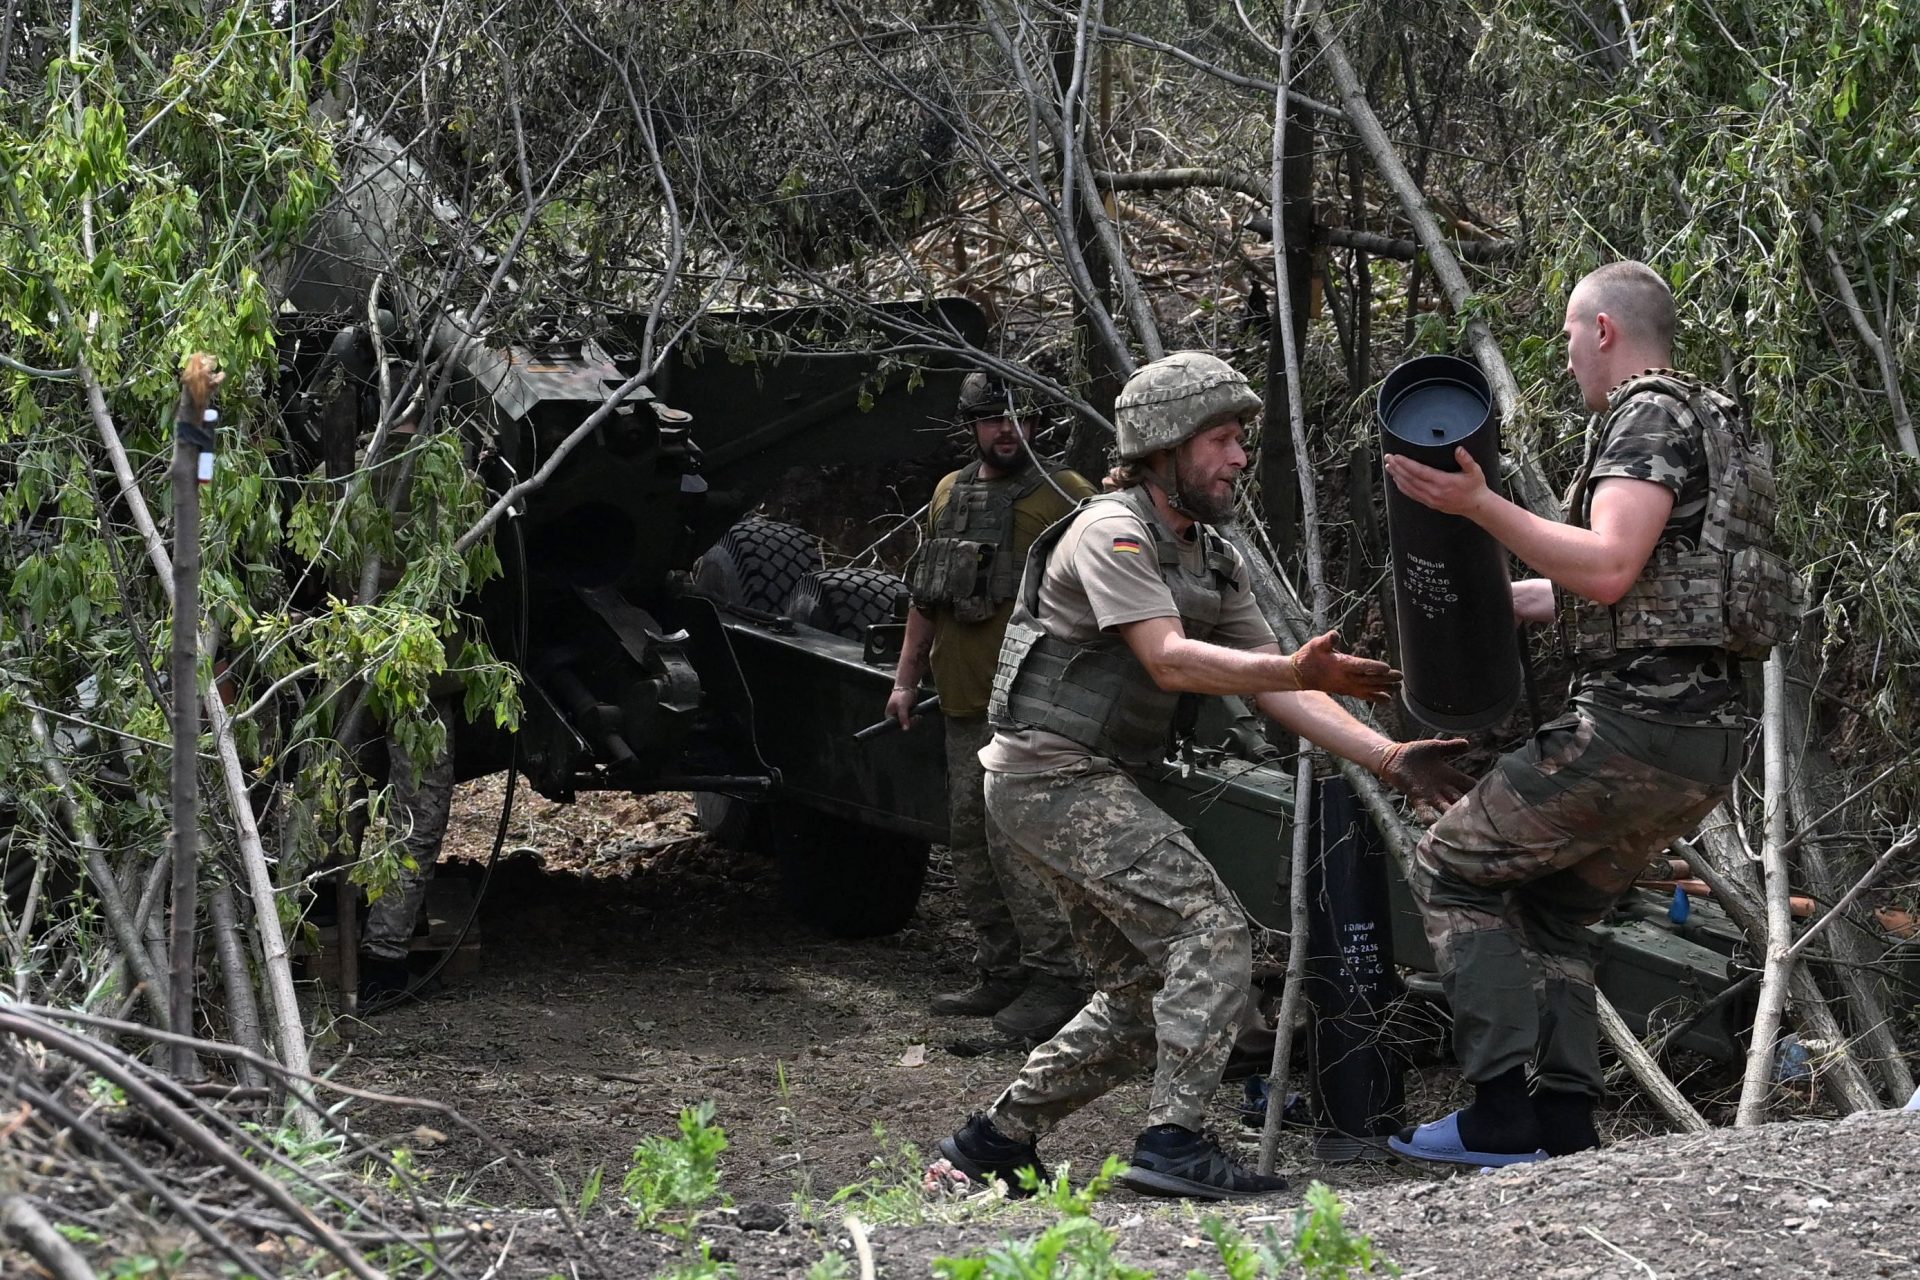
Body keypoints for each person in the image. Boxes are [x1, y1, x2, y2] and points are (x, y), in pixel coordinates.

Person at [934, 351, 1476, 1201]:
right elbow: (1171, 661)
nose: (1237, 458)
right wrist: (1296, 673)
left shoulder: (1210, 558)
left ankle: (989, 1143)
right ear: (1162, 446)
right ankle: (1174, 1141)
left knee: (1143, 994)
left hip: (1083, 782)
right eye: (1221, 439)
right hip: (1050, 778)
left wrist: (1390, 757)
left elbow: (1273, 680)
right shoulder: (1107, 530)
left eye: (1241, 442)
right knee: (1212, 937)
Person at [1381, 260, 1799, 1167]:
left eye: (1570, 337)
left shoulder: (1646, 413)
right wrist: (1479, 595)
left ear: (1603, 329)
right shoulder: (1712, 419)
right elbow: (1622, 585)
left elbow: (1607, 565)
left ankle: (1496, 1113)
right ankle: (1563, 1123)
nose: (1567, 358)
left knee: (1450, 865)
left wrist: (1480, 503)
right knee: (1554, 910)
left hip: (1637, 722)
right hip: (1703, 740)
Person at [890, 373, 1100, 1042]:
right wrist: (904, 679)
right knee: (971, 840)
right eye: (992, 419)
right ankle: (1003, 971)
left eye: (1021, 418)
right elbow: (928, 594)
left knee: (1021, 846)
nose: (1008, 430)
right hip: (961, 699)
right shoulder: (951, 493)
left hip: (1035, 706)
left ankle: (1056, 981)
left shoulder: (1071, 497)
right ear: (972, 425)